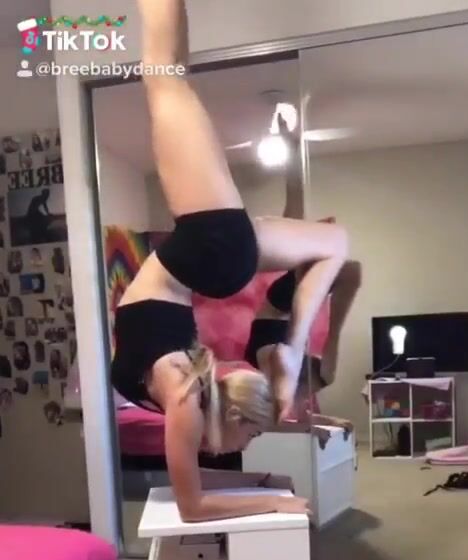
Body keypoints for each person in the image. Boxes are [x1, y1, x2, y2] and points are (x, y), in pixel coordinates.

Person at [111, 0, 348, 523]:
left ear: (236, 412)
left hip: (210, 255)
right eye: (255, 434)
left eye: (253, 435)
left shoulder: (185, 399)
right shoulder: (187, 395)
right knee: (164, 79)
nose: (249, 443)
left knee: (168, 77)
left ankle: (291, 349)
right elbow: (194, 501)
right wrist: (271, 496)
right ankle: (292, 349)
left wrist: (264, 490)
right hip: (205, 253)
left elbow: (192, 504)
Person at [245, 119, 361, 429]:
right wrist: (331, 422)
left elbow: (287, 420)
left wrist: (293, 148)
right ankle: (311, 346)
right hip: (280, 335)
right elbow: (300, 418)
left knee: (347, 269)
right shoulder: (310, 381)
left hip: (272, 325)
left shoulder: (277, 384)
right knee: (349, 272)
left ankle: (312, 346)